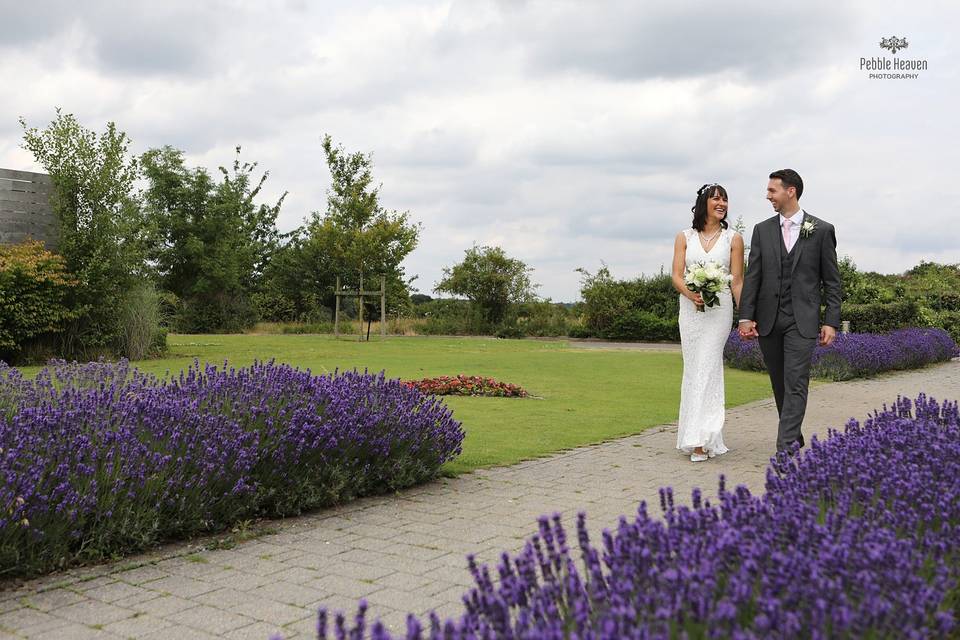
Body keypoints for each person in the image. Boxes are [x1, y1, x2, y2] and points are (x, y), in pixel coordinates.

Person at [738, 169, 842, 453]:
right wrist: (746, 317)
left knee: (796, 381)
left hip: (803, 321)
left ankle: (784, 447)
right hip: (769, 320)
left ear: (790, 191)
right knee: (780, 384)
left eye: (772, 190)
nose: (767, 195)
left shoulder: (821, 230)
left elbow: (832, 281)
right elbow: (754, 276)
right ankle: (794, 436)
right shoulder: (761, 230)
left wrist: (831, 321)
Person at [671, 183, 745, 462]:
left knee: (708, 367)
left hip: (720, 311)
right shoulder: (684, 237)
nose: (722, 203)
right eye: (716, 198)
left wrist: (745, 316)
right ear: (704, 203)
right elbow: (677, 274)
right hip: (690, 310)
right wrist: (691, 294)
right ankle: (695, 436)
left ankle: (703, 439)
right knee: (693, 370)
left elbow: (737, 281)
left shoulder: (733, 239)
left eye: (725, 199)